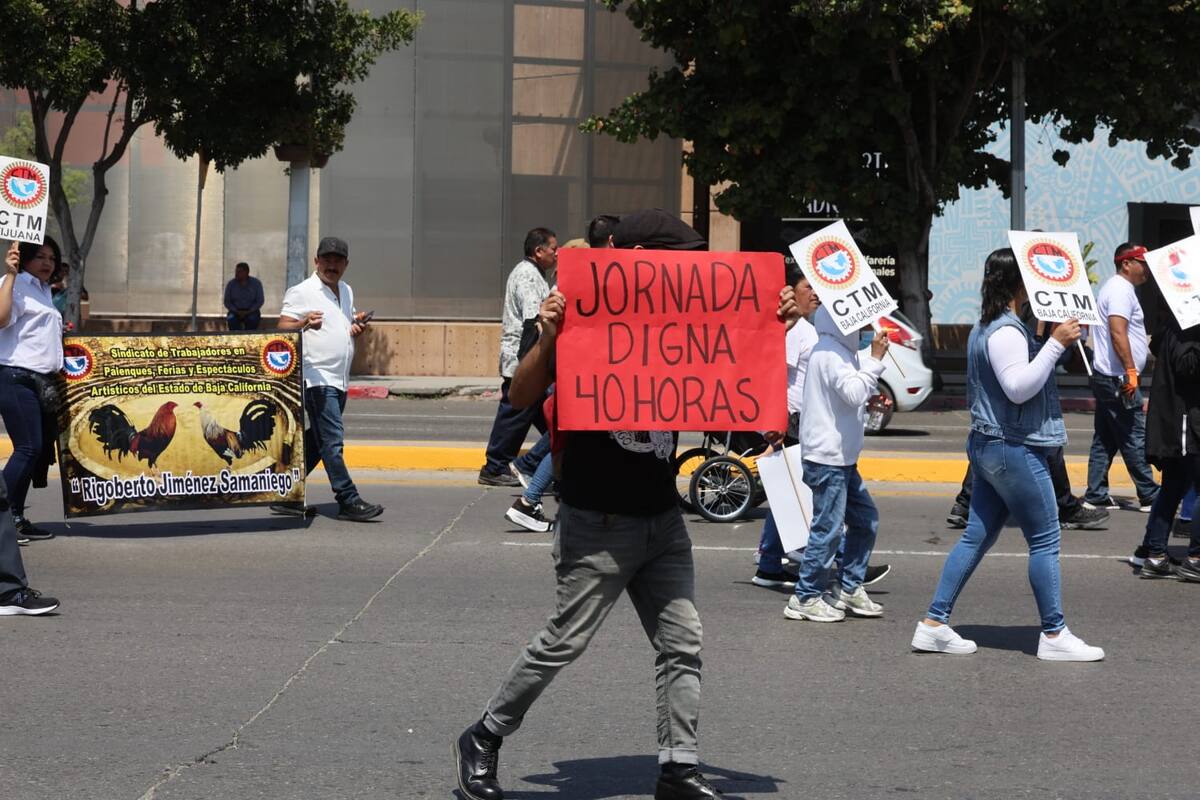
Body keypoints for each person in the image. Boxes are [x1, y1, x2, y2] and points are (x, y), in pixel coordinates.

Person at [454, 209, 792, 800]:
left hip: (661, 519)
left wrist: (774, 320)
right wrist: (550, 334)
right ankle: (484, 735)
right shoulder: (574, 308)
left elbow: (735, 362)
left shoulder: (687, 320)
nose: (688, 268)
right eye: (677, 257)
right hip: (598, 519)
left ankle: (679, 770)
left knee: (683, 642)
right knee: (565, 641)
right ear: (634, 257)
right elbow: (522, 393)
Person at [912, 248, 1104, 660]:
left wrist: (1049, 336)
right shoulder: (1004, 332)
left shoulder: (996, 326)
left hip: (992, 446)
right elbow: (1019, 386)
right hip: (1011, 448)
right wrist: (1053, 345)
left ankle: (933, 624)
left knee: (977, 535)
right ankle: (1054, 635)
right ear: (1018, 283)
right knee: (1046, 539)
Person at [946, 306, 1109, 531]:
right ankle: (1065, 508)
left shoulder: (994, 322)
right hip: (1018, 404)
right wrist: (1053, 341)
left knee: (1000, 444)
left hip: (997, 425)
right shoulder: (1012, 322)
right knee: (1046, 444)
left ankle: (965, 504)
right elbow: (1022, 379)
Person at [783, 307, 890, 622]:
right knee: (827, 530)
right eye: (860, 320)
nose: (866, 326)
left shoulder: (841, 350)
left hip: (841, 457)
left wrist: (868, 360)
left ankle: (848, 587)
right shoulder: (830, 352)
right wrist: (876, 358)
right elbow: (855, 392)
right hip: (827, 458)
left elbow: (850, 395)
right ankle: (805, 597)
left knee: (865, 519)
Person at [276, 237, 383, 522]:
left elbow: (343, 325)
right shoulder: (302, 291)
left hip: (339, 378)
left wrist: (355, 326)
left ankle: (285, 495)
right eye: (326, 260)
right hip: (317, 378)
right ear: (316, 261)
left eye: (337, 261)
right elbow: (282, 328)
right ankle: (347, 498)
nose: (331, 265)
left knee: (317, 441)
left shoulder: (346, 291)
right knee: (332, 441)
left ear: (345, 265)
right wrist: (303, 324)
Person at [478, 228, 557, 487]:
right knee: (514, 412)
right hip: (522, 360)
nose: (556, 255)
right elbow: (534, 320)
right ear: (538, 251)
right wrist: (532, 363)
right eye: (553, 250)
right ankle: (495, 466)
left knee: (548, 415)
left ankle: (557, 461)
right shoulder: (527, 275)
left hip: (528, 360)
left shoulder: (535, 274)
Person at [0, 238, 67, 542]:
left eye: (52, 258)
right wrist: (11, 274)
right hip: (16, 376)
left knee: (35, 451)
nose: (47, 262)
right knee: (28, 448)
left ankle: (15, 518)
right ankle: (3, 520)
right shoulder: (12, 282)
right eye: (40, 256)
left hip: (42, 381)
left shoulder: (43, 291)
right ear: (24, 257)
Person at [1084, 243, 1159, 511]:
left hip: (1110, 376)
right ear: (1126, 263)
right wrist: (1130, 371)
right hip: (1119, 378)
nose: (1146, 268)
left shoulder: (1119, 289)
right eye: (1142, 262)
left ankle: (1095, 494)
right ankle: (1150, 494)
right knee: (1133, 434)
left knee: (1105, 437)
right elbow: (1118, 332)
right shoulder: (1119, 290)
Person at [1132, 289, 1200, 581]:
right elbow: (1187, 367)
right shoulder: (1188, 326)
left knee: (1173, 486)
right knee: (1182, 486)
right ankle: (1195, 558)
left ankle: (1155, 554)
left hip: (1181, 421)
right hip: (1188, 421)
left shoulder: (1179, 324)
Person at [224, 261, 264, 331]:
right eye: (236, 272)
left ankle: (250, 338)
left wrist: (249, 311)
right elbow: (227, 301)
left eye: (239, 272)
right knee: (231, 319)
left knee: (253, 320)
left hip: (251, 311)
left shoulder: (256, 284)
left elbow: (260, 300)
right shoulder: (231, 284)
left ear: (247, 272)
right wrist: (236, 311)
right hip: (235, 311)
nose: (236, 274)